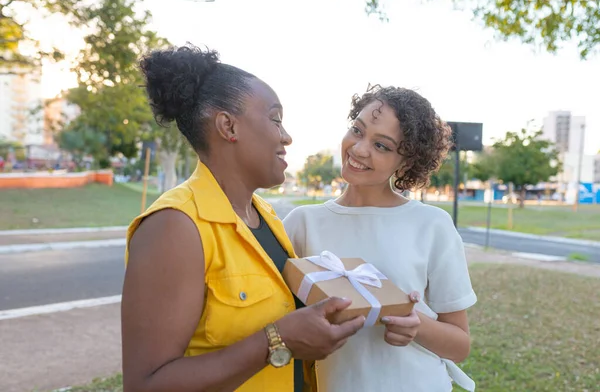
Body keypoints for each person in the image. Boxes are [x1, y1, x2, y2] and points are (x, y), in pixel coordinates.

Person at [121, 44, 365, 392]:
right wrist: (276, 342)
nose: (287, 136)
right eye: (276, 119)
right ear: (227, 126)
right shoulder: (174, 226)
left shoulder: (265, 216)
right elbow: (146, 384)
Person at [283, 85, 478, 392]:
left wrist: (416, 324)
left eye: (382, 146)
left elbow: (460, 345)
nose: (359, 149)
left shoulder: (431, 224)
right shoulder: (300, 223)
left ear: (408, 160)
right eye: (357, 130)